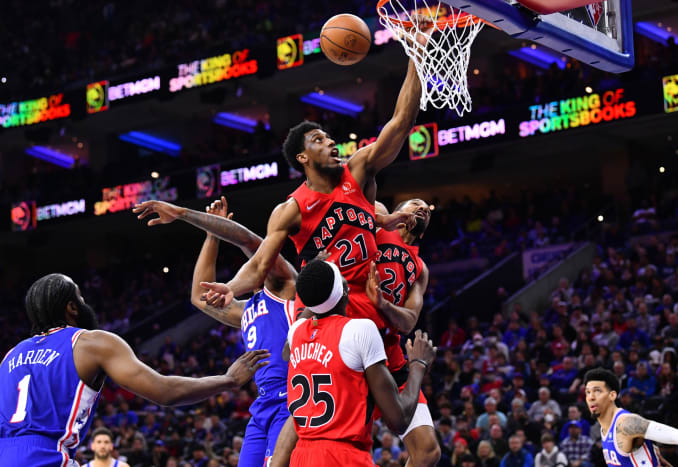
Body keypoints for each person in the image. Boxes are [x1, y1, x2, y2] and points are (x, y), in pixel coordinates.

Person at [0, 273, 268, 465]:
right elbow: (165, 391)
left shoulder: (10, 356)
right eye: (80, 297)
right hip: (47, 456)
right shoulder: (91, 342)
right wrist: (227, 380)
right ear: (72, 307)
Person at [286, 259, 436, 466]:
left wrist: (315, 274)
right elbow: (399, 420)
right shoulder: (360, 330)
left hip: (303, 455)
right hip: (344, 456)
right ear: (344, 291)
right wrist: (418, 364)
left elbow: (311, 305)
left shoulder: (296, 332)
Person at [188, 196, 297, 467]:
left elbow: (254, 245)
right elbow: (199, 297)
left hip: (291, 397)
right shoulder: (246, 309)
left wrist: (217, 226)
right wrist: (212, 235)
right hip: (262, 404)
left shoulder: (287, 287)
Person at [367, 199, 440, 467]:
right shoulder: (380, 224)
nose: (422, 207)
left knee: (428, 452)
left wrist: (384, 305)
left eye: (426, 207)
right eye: (414, 203)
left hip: (390, 353)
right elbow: (352, 207)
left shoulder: (420, 268)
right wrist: (385, 218)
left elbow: (409, 321)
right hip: (357, 343)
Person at [584, 367, 678, 466]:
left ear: (612, 396)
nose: (591, 397)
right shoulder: (604, 429)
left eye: (597, 391)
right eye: (588, 392)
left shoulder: (626, 423)